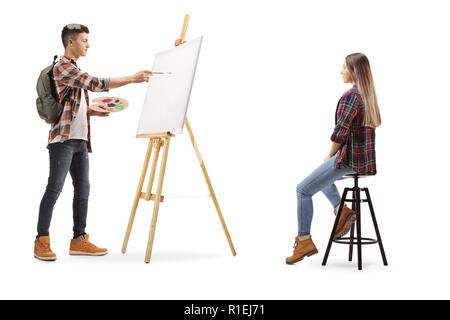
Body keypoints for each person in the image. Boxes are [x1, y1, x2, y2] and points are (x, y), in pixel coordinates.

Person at [34, 23, 153, 261]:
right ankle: (41, 241)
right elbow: (95, 83)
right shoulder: (63, 67)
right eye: (85, 40)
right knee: (54, 189)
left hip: (80, 140)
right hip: (63, 140)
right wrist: (133, 78)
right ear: (71, 42)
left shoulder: (73, 69)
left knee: (83, 189)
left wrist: (91, 112)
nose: (88, 44)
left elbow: (72, 106)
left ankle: (79, 240)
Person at [286, 53, 381, 265]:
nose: (341, 71)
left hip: (349, 160)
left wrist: (330, 155)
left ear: (353, 71)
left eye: (344, 67)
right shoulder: (368, 95)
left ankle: (304, 242)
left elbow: (340, 133)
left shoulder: (352, 96)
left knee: (303, 189)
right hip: (363, 161)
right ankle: (342, 211)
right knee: (320, 178)